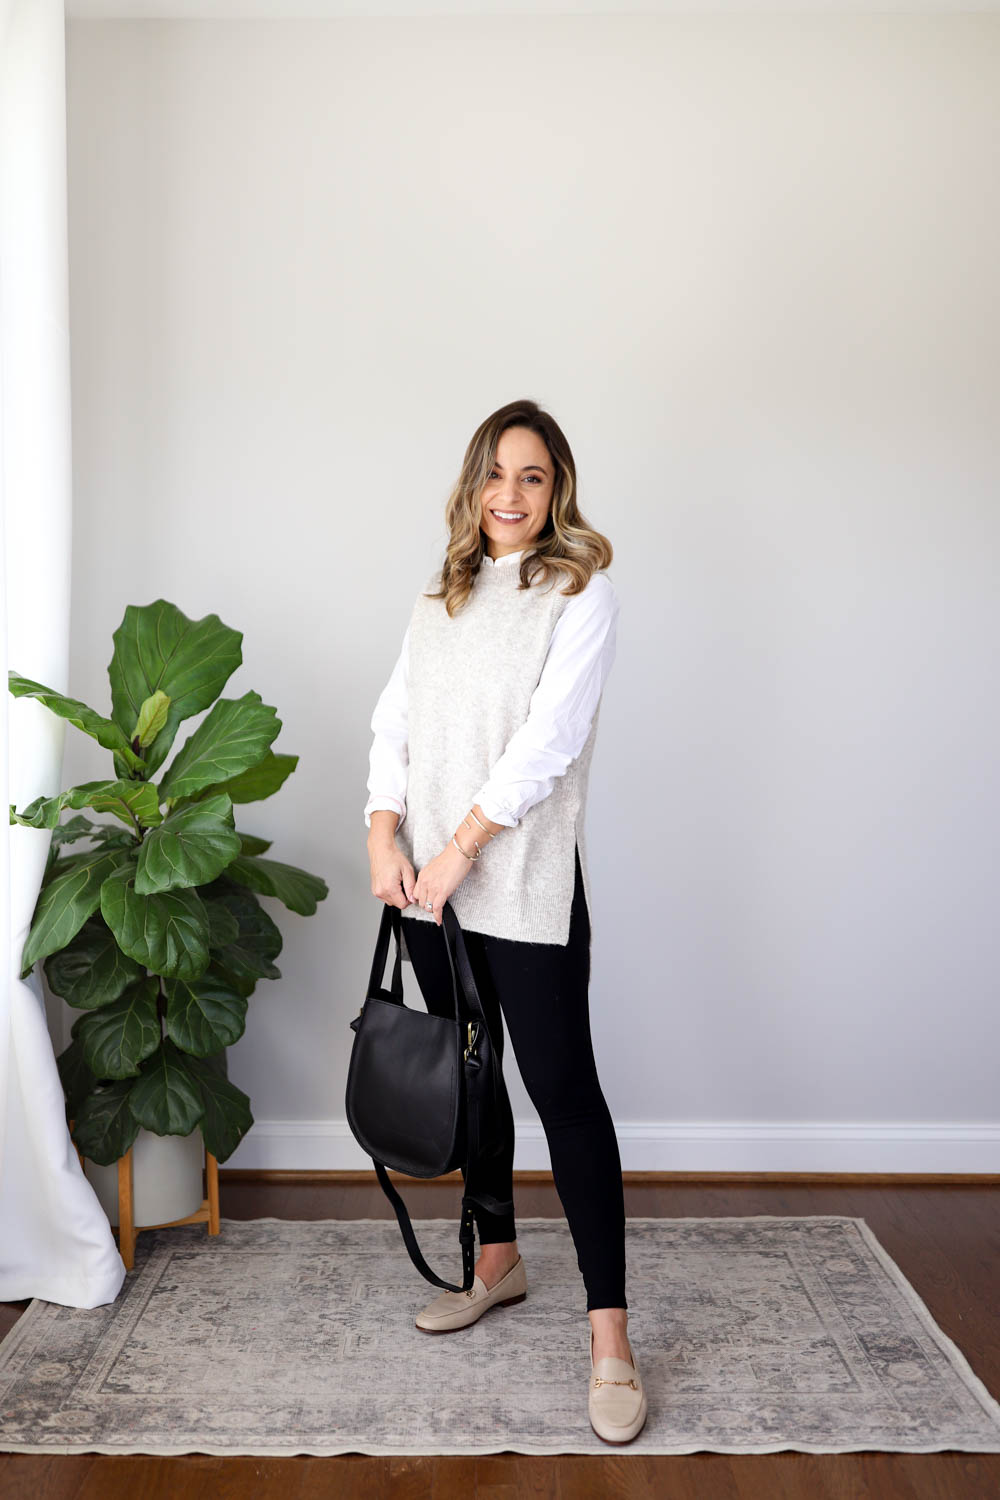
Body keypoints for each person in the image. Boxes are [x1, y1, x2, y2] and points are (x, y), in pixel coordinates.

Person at [363, 398, 646, 1445]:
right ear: (471, 485)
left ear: (556, 488)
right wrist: (380, 833)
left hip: (515, 883)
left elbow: (549, 742)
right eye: (495, 474)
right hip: (429, 888)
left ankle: (610, 1340)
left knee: (564, 1096)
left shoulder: (578, 593)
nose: (510, 496)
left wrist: (456, 848)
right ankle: (496, 1264)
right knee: (469, 1079)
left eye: (531, 477)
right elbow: (394, 721)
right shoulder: (440, 595)